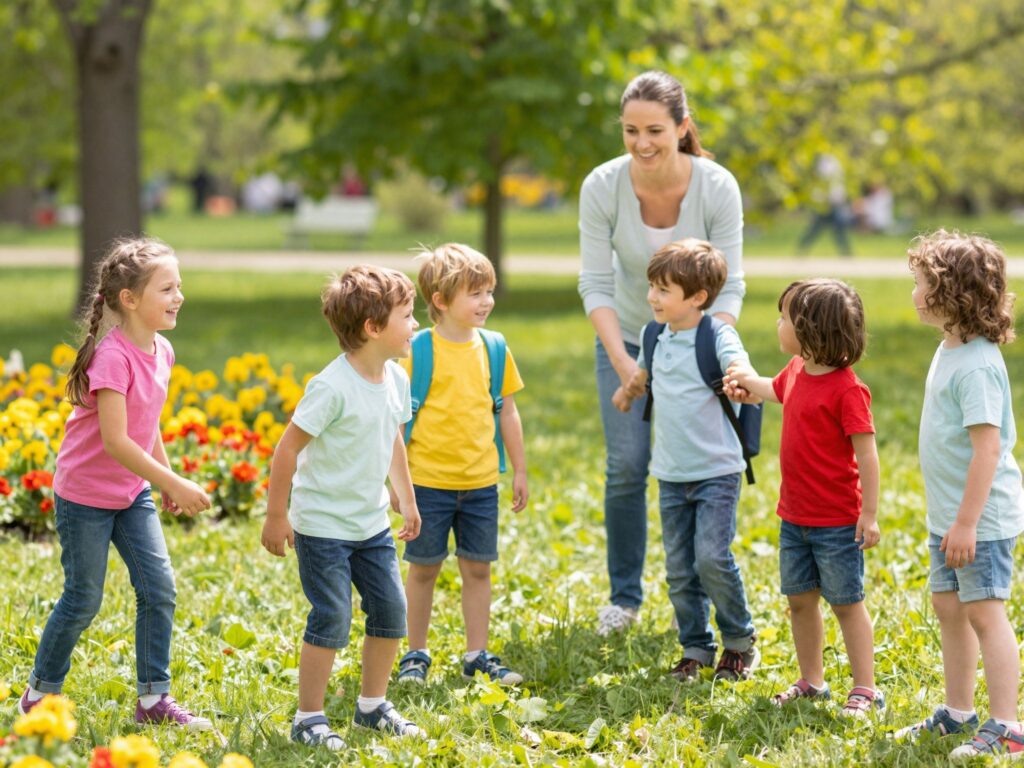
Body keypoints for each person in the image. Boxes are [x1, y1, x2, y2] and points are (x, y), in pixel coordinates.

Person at [18, 237, 214, 729]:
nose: (179, 297)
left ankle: (152, 701)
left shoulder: (162, 350)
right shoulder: (113, 357)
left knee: (159, 589)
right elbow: (116, 442)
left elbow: (147, 427)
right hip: (84, 496)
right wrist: (174, 481)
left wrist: (164, 482)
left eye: (179, 286)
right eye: (167, 288)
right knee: (84, 598)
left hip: (131, 495)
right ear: (129, 299)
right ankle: (39, 694)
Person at [578, 69, 745, 636]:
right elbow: (595, 284)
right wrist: (629, 364)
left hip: (700, 344)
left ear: (682, 127)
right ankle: (624, 598)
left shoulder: (716, 185)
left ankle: (709, 592)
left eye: (654, 130)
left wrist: (709, 352)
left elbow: (734, 283)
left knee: (702, 464)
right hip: (628, 337)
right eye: (630, 131)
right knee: (627, 467)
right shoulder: (602, 186)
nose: (642, 143)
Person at [260, 265, 424, 750]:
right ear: (373, 328)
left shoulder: (394, 378)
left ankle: (372, 706)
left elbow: (391, 434)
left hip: (371, 523)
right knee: (332, 615)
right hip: (324, 527)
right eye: (408, 316)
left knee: (391, 609)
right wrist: (276, 514)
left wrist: (405, 496)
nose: (415, 325)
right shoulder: (331, 387)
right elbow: (286, 449)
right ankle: (308, 717)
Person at [725, 279, 882, 716]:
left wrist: (869, 514)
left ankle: (865, 688)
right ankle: (812, 681)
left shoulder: (848, 389)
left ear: (810, 329)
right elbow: (772, 389)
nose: (778, 324)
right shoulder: (796, 371)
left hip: (836, 521)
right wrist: (744, 383)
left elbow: (867, 455)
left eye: (784, 318)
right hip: (794, 518)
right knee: (800, 601)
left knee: (847, 604)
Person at [893, 231, 1024, 758]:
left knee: (985, 614)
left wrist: (967, 523)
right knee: (949, 606)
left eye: (920, 283)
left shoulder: (976, 366)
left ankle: (1008, 727)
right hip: (951, 515)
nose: (913, 292)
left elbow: (987, 452)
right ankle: (958, 712)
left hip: (979, 518)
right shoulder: (950, 347)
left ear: (951, 295)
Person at [612, 239, 758, 681]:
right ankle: (695, 647)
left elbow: (737, 366)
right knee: (679, 568)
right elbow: (643, 374)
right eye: (652, 287)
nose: (652, 297)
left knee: (711, 558)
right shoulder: (652, 334)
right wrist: (627, 391)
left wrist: (742, 382)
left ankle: (739, 641)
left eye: (664, 290)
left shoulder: (716, 335)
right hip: (671, 473)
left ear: (697, 298)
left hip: (717, 471)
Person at [395, 244, 529, 686]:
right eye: (475, 293)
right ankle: (415, 653)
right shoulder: (416, 350)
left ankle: (477, 653)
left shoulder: (494, 347)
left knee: (478, 568)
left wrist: (520, 470)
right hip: (427, 485)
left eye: (488, 291)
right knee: (424, 569)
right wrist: (397, 486)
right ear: (440, 301)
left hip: (480, 484)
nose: (486, 301)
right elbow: (393, 421)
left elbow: (506, 410)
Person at [797, 153, 852, 256]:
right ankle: (802, 249)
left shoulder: (833, 163)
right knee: (815, 229)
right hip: (824, 203)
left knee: (838, 229)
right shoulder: (824, 164)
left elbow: (836, 186)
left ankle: (845, 252)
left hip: (834, 203)